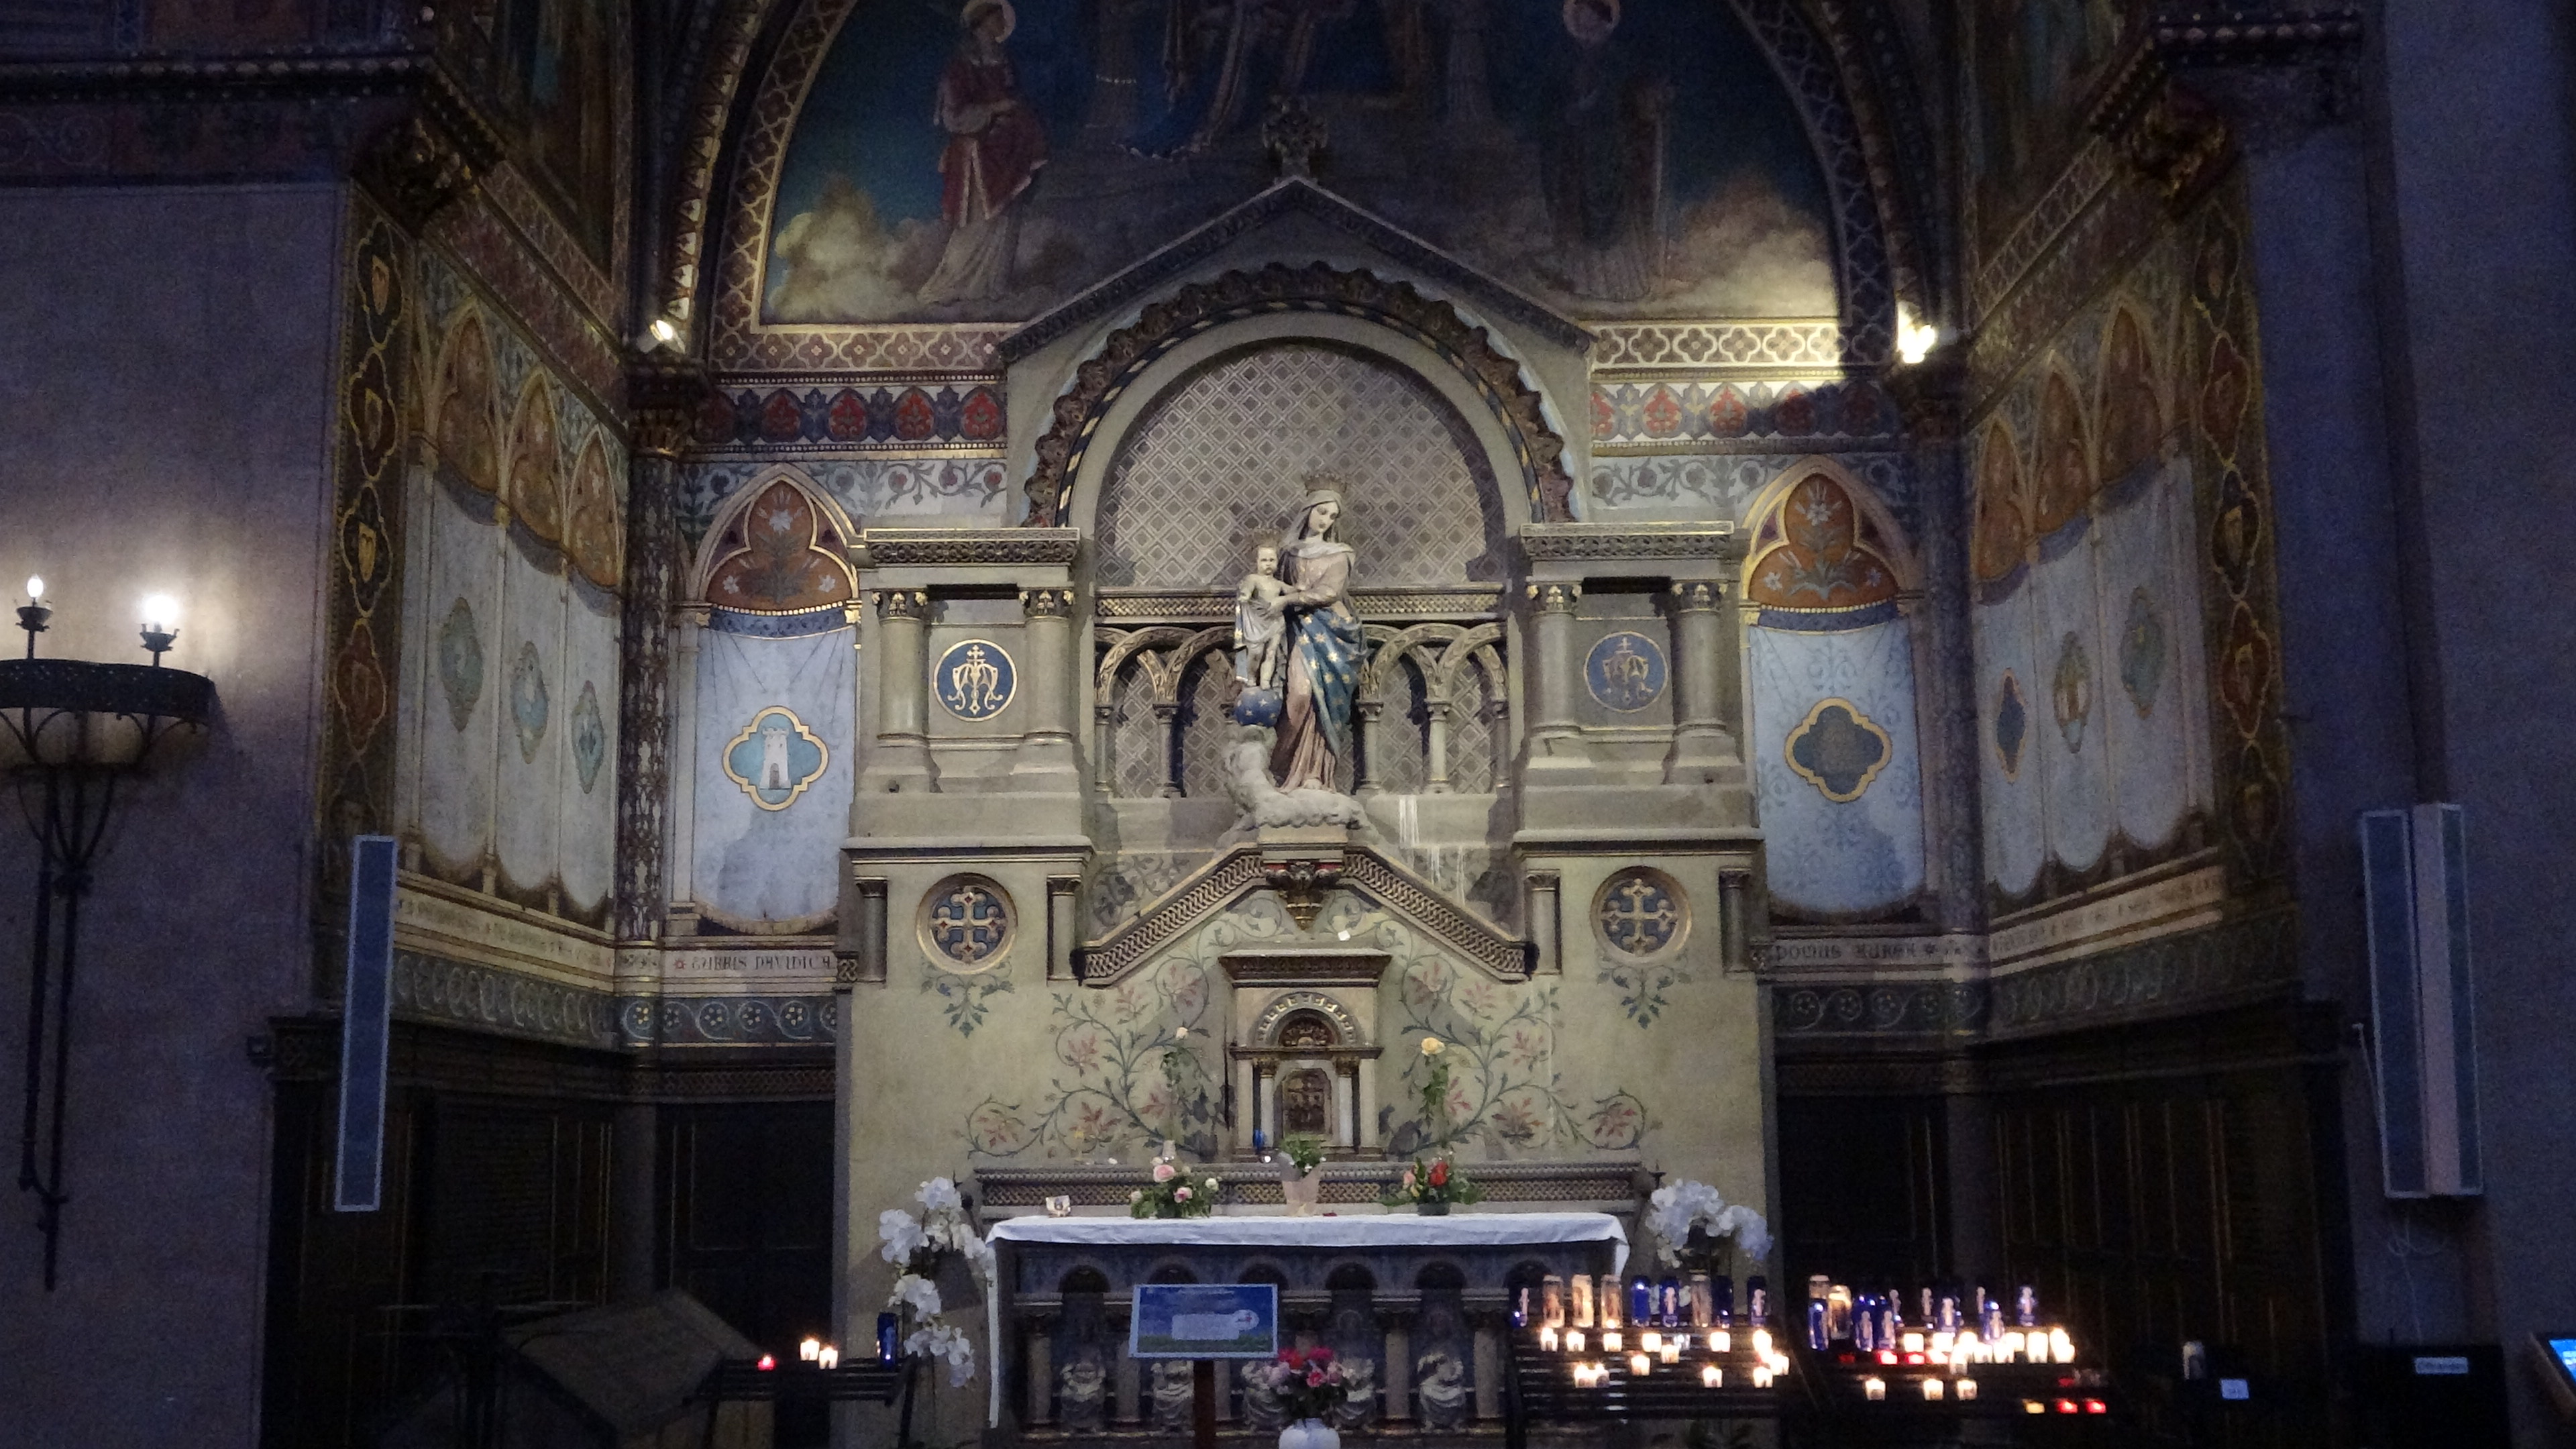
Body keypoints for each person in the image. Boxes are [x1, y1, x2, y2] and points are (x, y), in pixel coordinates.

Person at [920, 0, 1047, 305]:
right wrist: (994, 109)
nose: (1002, 22)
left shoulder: (1005, 62)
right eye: (996, 17)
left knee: (1007, 219)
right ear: (981, 23)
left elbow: (1014, 100)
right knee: (977, 224)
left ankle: (994, 287)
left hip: (1010, 151)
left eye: (1003, 17)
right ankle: (950, 287)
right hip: (975, 159)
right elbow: (953, 118)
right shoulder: (960, 67)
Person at [1267, 481, 1364, 792]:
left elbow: (1329, 592)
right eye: (1322, 512)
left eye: (1332, 516)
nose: (1325, 521)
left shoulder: (1340, 554)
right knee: (1299, 695)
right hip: (1298, 630)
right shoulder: (1288, 553)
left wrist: (1288, 599)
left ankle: (1315, 773)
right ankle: (1281, 769)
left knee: (1323, 701)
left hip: (1333, 632)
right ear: (1308, 511)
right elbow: (1271, 587)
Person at [1234, 543, 1291, 691]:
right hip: (1257, 622)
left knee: (1272, 652)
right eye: (1264, 560)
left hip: (1275, 621)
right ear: (1257, 562)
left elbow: (1293, 592)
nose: (1268, 564)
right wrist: (1245, 595)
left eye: (1272, 560)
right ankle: (1252, 677)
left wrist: (1305, 588)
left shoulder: (1278, 584)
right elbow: (1247, 589)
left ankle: (1266, 680)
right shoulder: (1253, 579)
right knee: (1256, 653)